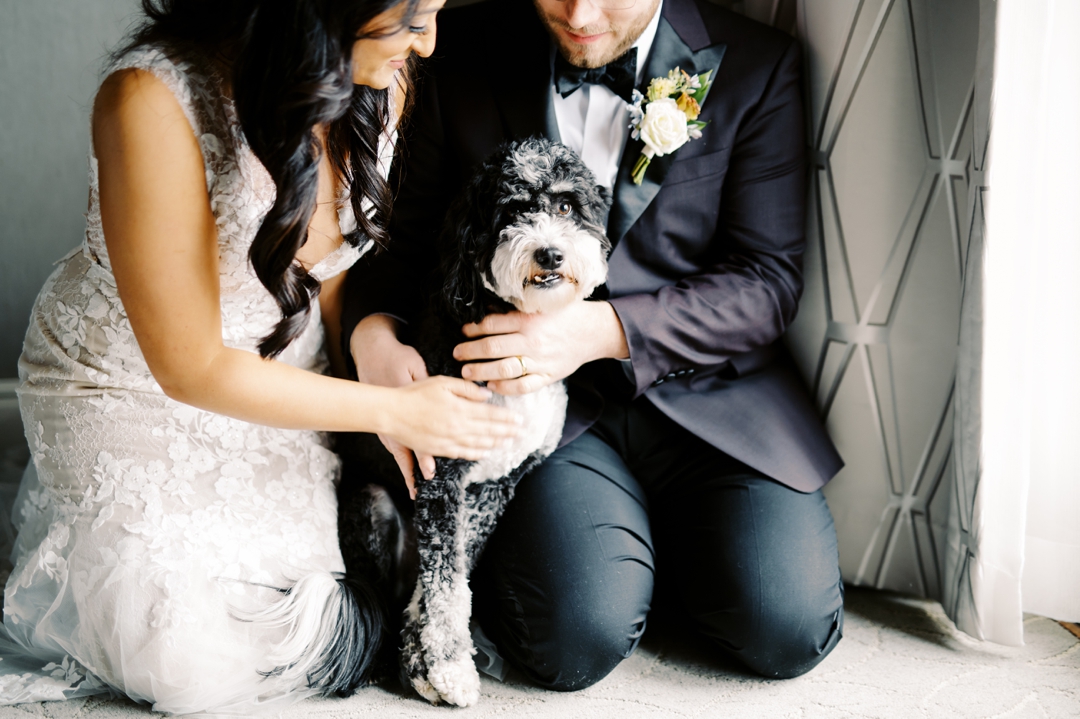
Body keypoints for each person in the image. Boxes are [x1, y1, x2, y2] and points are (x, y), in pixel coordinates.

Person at [2, 0, 523, 713]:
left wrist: (370, 351)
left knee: (316, 601)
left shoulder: (379, 77)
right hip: (131, 382)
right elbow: (190, 367)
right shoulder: (149, 99)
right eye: (409, 15)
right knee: (183, 652)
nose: (427, 43)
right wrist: (389, 409)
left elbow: (330, 257)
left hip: (284, 365)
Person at [342, 0, 846, 691]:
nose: (579, 13)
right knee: (573, 640)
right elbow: (402, 243)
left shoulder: (757, 63)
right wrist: (372, 333)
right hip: (536, 417)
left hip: (713, 398)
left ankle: (650, 556)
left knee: (787, 627)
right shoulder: (456, 46)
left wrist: (599, 331)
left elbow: (766, 282)